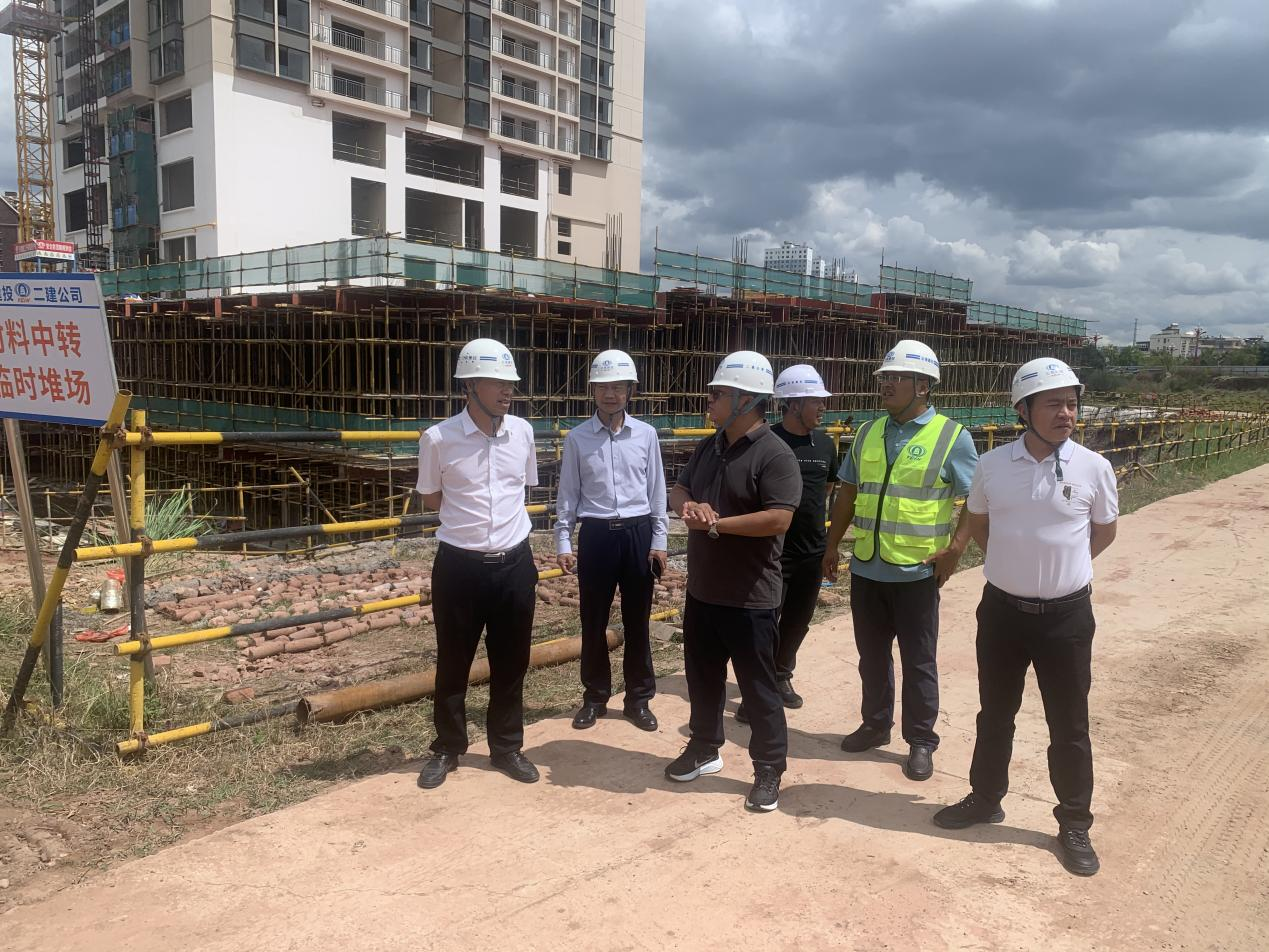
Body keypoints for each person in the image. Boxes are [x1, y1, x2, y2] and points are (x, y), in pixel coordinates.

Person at [933, 358, 1118, 878]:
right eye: (1054, 404)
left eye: (1072, 404)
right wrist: (1011, 564)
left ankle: (1074, 822)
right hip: (1002, 615)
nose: (1066, 414)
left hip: (1066, 619)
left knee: (1069, 724)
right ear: (1024, 409)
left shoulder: (1093, 467)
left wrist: (1064, 570)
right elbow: (979, 520)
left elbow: (1104, 531)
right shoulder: (993, 465)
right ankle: (985, 797)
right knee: (995, 713)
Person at [823, 340, 978, 782]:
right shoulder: (868, 432)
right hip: (867, 567)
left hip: (916, 572)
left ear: (923, 385)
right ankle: (875, 724)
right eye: (884, 377)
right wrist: (831, 545)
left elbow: (977, 498)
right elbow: (849, 492)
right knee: (871, 656)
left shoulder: (952, 437)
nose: (886, 384)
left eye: (896, 377)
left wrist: (956, 548)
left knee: (918, 661)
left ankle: (921, 740)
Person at [665, 350, 802, 813]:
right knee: (703, 679)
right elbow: (679, 489)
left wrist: (717, 524)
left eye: (717, 394)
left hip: (750, 598)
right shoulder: (710, 446)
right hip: (704, 591)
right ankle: (704, 747)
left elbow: (780, 518)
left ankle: (769, 767)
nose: (709, 400)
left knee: (759, 689)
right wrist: (690, 507)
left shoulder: (775, 455)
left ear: (746, 400)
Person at [415, 338, 542, 790]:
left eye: (510, 383)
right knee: (454, 661)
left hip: (515, 564)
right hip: (459, 567)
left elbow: (521, 489)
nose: (507, 391)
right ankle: (448, 747)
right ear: (469, 386)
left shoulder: (523, 433)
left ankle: (506, 747)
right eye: (496, 382)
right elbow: (432, 497)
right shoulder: (438, 439)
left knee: (512, 661)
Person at [555, 349, 668, 733]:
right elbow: (568, 495)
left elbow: (657, 492)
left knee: (638, 621)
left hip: (637, 534)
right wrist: (564, 542)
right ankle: (595, 697)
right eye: (603, 387)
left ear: (630, 391)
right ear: (592, 390)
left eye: (618, 387)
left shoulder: (646, 435)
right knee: (593, 620)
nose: (610, 394)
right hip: (597, 535)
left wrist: (659, 540)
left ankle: (638, 699)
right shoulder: (578, 438)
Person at [735, 364, 835, 723]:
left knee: (797, 622)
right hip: (773, 554)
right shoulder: (767, 441)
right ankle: (755, 693)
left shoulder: (825, 444)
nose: (823, 407)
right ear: (793, 404)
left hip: (812, 552)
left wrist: (827, 546)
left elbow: (825, 492)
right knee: (763, 625)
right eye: (815, 401)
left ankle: (780, 675)